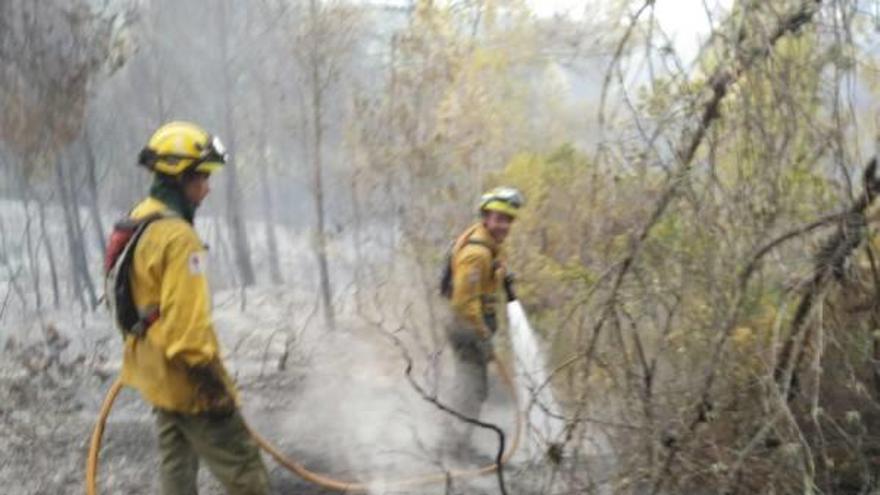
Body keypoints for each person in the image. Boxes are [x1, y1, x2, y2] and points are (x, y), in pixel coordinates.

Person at [119, 121, 269, 494]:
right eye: (201, 177)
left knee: (177, 473)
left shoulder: (141, 219)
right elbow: (188, 331)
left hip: (155, 372)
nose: (207, 187)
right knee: (247, 474)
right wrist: (213, 385)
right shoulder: (180, 239)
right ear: (179, 178)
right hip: (189, 379)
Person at [443, 186, 523, 458]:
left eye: (508, 220)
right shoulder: (477, 253)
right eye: (499, 218)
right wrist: (482, 335)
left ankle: (457, 442)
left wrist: (500, 274)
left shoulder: (487, 244)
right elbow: (463, 303)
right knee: (472, 389)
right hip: (467, 330)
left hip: (471, 329)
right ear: (486, 217)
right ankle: (455, 447)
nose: (504, 225)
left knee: (473, 387)